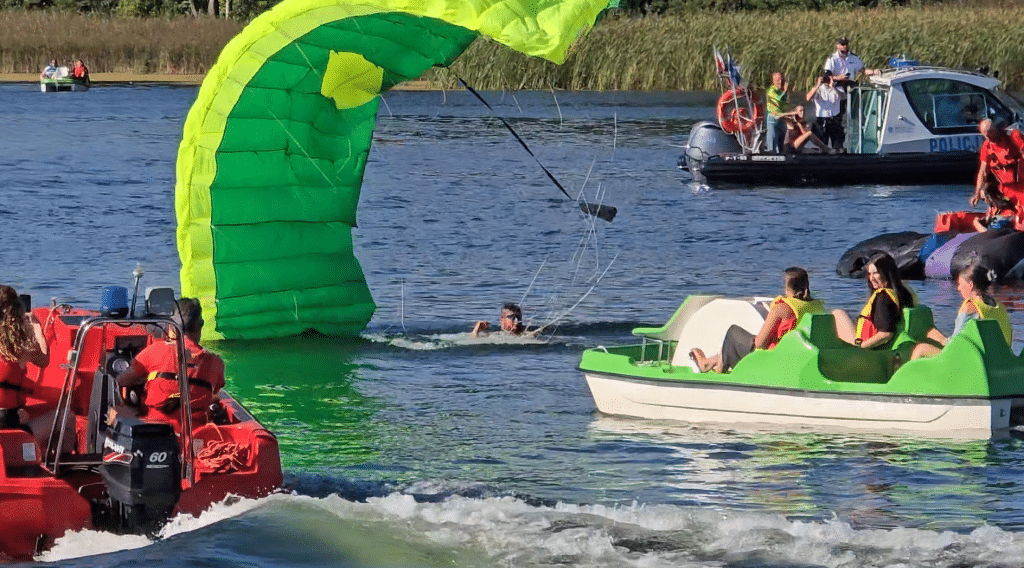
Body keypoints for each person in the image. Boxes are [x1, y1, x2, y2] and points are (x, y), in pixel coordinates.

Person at [115, 297, 224, 429]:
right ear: (200, 327)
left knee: (116, 411)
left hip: (155, 429)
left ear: (171, 326)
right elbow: (214, 392)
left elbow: (121, 380)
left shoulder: (154, 351)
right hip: (195, 431)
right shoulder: (216, 362)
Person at [689, 267, 824, 373]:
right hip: (799, 357)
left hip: (774, 359)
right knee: (743, 342)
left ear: (787, 287)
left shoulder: (782, 308)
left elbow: (759, 345)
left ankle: (710, 365)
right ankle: (715, 361)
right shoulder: (817, 306)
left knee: (734, 333)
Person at [911, 262, 1012, 360]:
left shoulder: (969, 308)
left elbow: (954, 345)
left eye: (960, 284)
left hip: (973, 364)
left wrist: (940, 338)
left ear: (971, 284)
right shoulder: (997, 306)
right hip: (999, 360)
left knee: (921, 348)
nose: (958, 288)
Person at [832, 253, 916, 349]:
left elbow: (886, 334)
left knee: (838, 313)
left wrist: (861, 347)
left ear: (886, 273)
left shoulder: (883, 297)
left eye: (875, 273)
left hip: (867, 350)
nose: (871, 278)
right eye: (869, 274)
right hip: (887, 349)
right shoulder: (904, 293)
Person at [972, 117, 1024, 219]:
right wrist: (977, 193)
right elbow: (983, 172)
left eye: (990, 132)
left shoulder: (1013, 137)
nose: (988, 136)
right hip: (1005, 188)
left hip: (1021, 186)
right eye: (985, 134)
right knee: (985, 191)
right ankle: (1001, 214)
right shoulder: (986, 146)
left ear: (996, 129)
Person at [823, 36, 878, 117]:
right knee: (839, 113)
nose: (845, 46)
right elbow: (826, 77)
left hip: (851, 86)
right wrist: (838, 78)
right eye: (842, 44)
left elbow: (863, 70)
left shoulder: (854, 57)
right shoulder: (832, 59)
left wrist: (874, 71)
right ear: (837, 46)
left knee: (855, 110)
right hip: (837, 86)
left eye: (846, 44)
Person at [806, 70, 844, 152]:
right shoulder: (818, 89)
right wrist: (818, 85)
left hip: (835, 118)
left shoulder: (838, 88)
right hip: (821, 119)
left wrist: (833, 87)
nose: (827, 80)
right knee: (822, 145)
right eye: (826, 78)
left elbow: (843, 97)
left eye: (829, 78)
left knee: (838, 145)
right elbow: (808, 98)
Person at [765, 72, 788, 153]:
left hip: (781, 118)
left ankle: (782, 156)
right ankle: (771, 155)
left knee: (781, 141)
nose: (780, 82)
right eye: (778, 80)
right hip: (773, 119)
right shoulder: (771, 90)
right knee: (772, 141)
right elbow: (778, 100)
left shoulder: (781, 91)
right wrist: (785, 91)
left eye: (781, 79)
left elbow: (784, 103)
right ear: (773, 81)